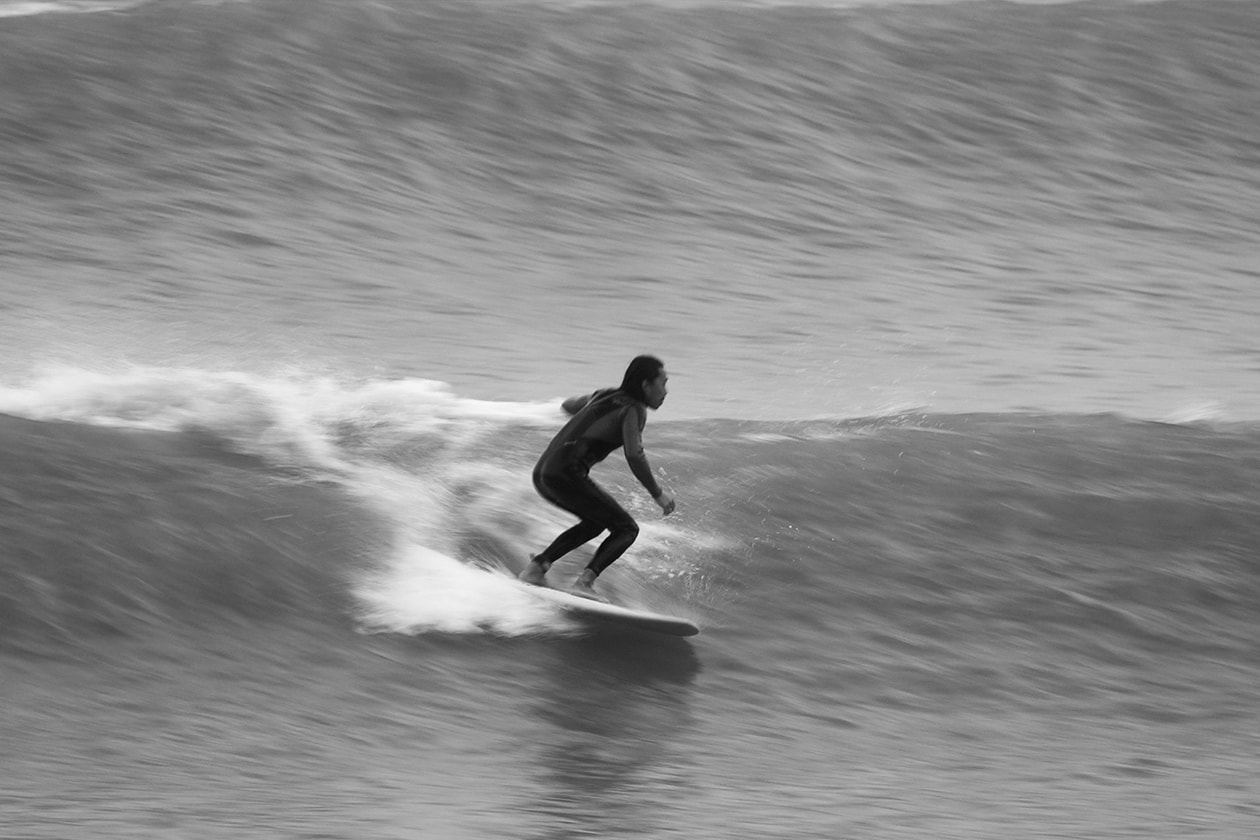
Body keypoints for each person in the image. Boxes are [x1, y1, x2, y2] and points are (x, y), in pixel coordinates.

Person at [518, 355, 676, 600]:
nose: (665, 391)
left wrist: (588, 417)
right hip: (566, 474)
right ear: (645, 385)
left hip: (543, 473)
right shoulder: (634, 409)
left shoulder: (604, 394)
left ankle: (537, 567)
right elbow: (635, 454)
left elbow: (568, 405)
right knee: (626, 529)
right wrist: (657, 493)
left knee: (595, 522)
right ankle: (584, 583)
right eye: (662, 384)